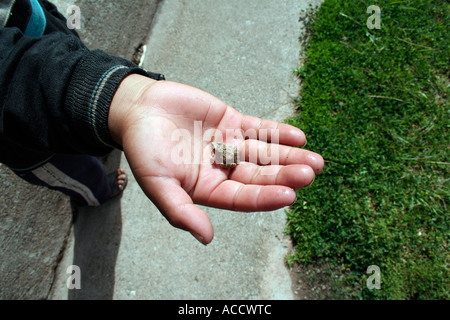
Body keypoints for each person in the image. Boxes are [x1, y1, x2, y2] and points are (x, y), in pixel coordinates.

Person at [0, 0, 324, 245]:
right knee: (78, 173)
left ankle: (102, 133)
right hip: (28, 140)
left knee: (64, 48)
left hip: (39, 25)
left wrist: (120, 98)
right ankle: (98, 193)